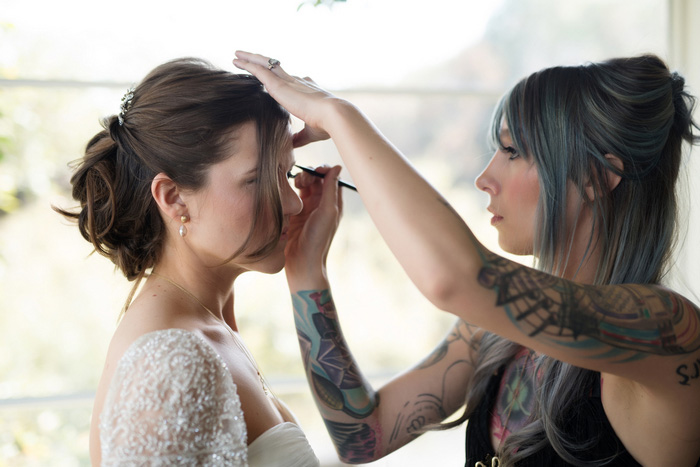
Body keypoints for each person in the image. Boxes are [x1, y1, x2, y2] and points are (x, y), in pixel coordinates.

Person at [233, 52, 700, 466]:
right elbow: (362, 436)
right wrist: (306, 268)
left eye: (513, 151)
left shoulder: (666, 333)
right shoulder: (494, 333)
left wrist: (338, 115)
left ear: (599, 176)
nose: (483, 178)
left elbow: (455, 279)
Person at [56, 58, 320, 466]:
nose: (295, 202)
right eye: (257, 179)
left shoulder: (211, 321)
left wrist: (310, 270)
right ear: (174, 198)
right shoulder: (168, 364)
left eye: (285, 175)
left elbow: (360, 437)